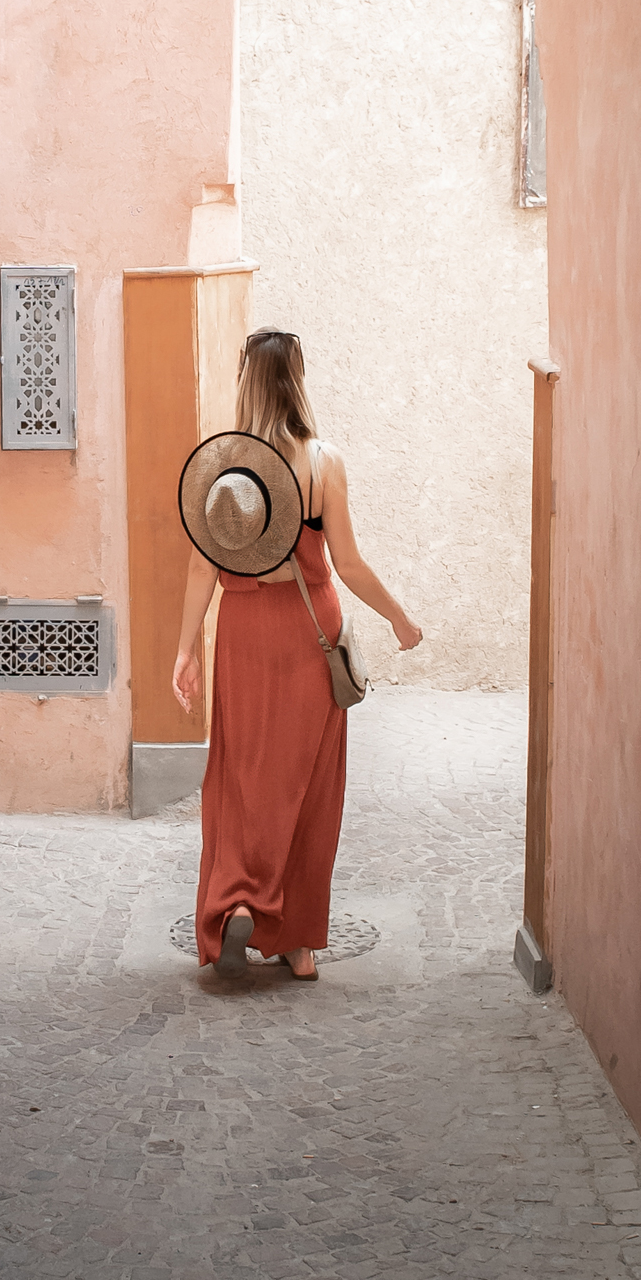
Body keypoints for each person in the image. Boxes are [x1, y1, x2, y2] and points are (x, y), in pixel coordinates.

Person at [173, 326, 422, 979]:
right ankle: (298, 941)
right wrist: (397, 617)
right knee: (308, 787)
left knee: (240, 779)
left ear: (245, 382)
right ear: (299, 379)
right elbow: (350, 563)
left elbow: (201, 569)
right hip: (310, 632)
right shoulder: (324, 462)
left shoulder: (222, 466)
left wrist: (185, 651)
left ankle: (234, 907)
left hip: (245, 631)